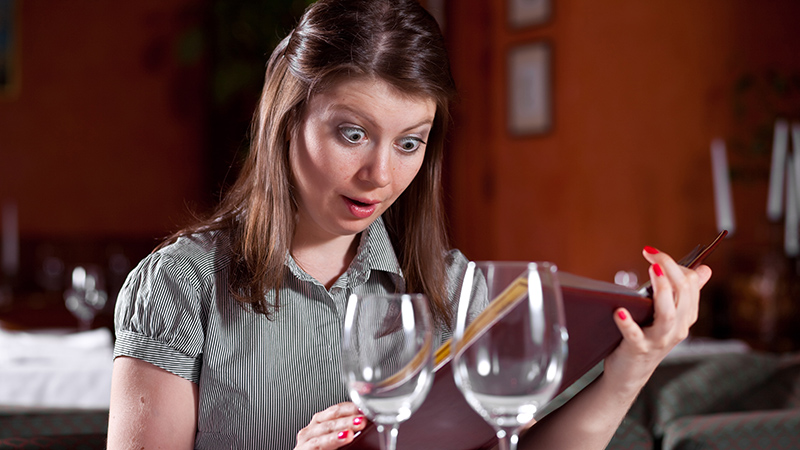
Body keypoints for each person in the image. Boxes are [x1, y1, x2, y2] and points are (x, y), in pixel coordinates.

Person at [106, 0, 712, 449]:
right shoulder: (179, 286)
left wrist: (634, 366)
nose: (379, 173)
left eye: (409, 142)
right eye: (352, 133)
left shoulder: (454, 287)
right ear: (285, 123)